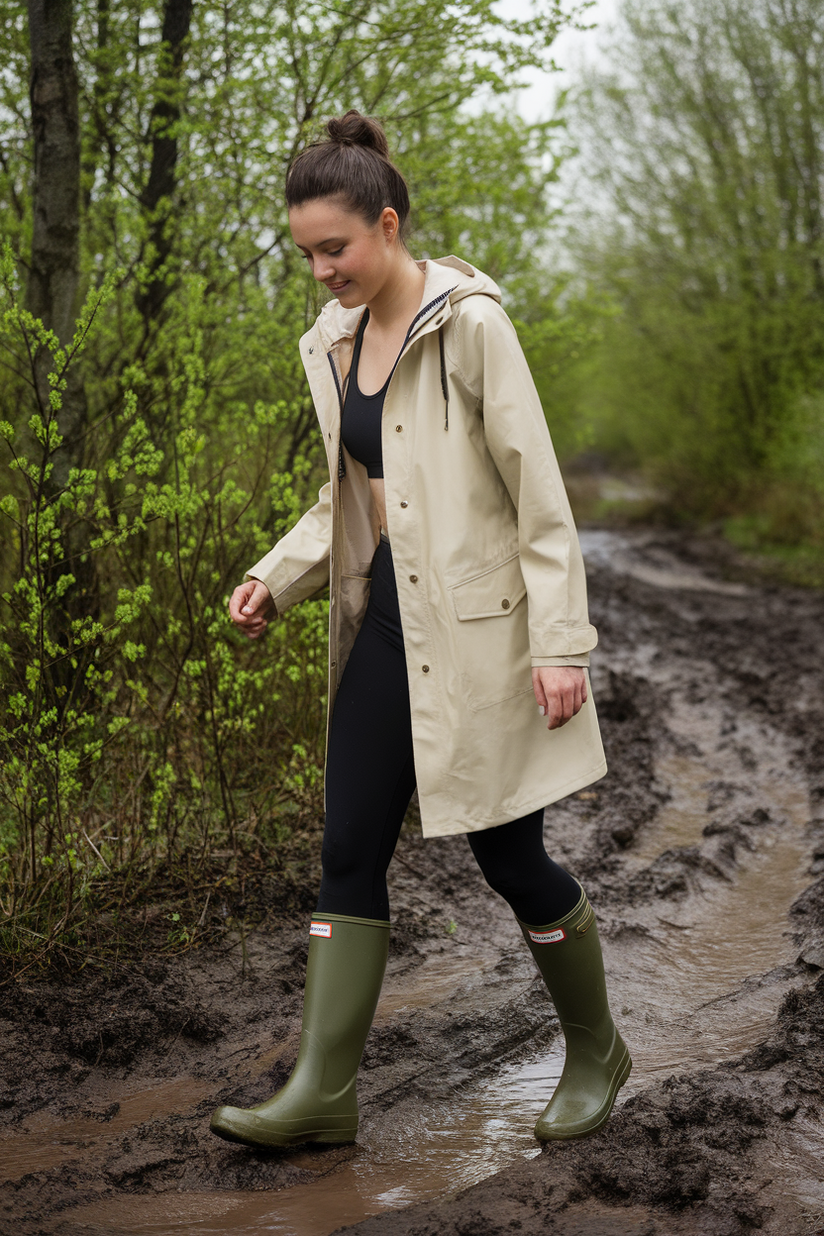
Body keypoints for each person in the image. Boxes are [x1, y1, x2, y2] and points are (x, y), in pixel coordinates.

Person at [210, 110, 630, 1151]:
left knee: (510, 859)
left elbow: (538, 497)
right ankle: (321, 1092)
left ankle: (595, 1051)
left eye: (334, 248)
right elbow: (350, 499)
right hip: (386, 621)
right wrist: (277, 575)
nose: (320, 271)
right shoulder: (332, 341)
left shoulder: (471, 325)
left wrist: (560, 643)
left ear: (386, 225)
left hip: (486, 636)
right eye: (305, 252)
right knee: (347, 844)